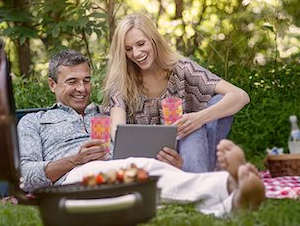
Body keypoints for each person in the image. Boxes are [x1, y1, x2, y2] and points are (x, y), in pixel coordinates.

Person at [17, 49, 265, 218]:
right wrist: (76, 160)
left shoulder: (107, 114)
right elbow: (27, 176)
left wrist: (172, 161)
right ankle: (228, 184)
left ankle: (233, 201)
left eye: (87, 80)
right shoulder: (33, 122)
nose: (82, 88)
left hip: (127, 169)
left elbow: (136, 149)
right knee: (136, 174)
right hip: (74, 179)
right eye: (72, 81)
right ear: (52, 84)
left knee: (147, 174)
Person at [102, 13, 250, 172]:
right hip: (149, 157)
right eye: (129, 49)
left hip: (192, 146)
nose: (136, 53)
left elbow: (240, 96)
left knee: (211, 110)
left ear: (154, 40)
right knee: (193, 130)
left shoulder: (181, 68)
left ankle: (198, 174)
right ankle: (204, 176)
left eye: (141, 44)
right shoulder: (122, 82)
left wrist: (198, 118)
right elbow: (118, 134)